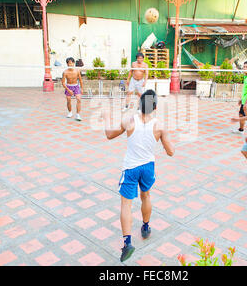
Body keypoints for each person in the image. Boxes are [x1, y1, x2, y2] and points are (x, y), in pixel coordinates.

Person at [101, 89, 175, 262]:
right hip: (148, 167)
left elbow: (109, 135)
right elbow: (171, 152)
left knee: (126, 205)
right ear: (155, 107)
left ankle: (127, 243)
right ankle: (146, 227)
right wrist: (163, 140)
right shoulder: (160, 125)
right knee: (146, 195)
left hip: (131, 168)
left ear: (139, 103)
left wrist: (105, 118)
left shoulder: (129, 120)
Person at [232, 60, 247, 135]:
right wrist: (242, 99)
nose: (245, 68)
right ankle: (241, 130)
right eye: (244, 67)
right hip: (245, 101)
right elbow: (246, 91)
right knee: (241, 115)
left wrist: (245, 103)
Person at [62, 57, 83, 121]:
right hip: (68, 86)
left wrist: (82, 88)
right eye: (68, 63)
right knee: (68, 100)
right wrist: (68, 90)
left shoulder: (77, 71)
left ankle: (78, 115)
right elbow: (63, 83)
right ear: (67, 64)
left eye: (71, 63)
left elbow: (80, 80)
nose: (70, 65)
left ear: (73, 63)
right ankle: (70, 112)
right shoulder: (65, 72)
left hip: (76, 86)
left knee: (79, 99)